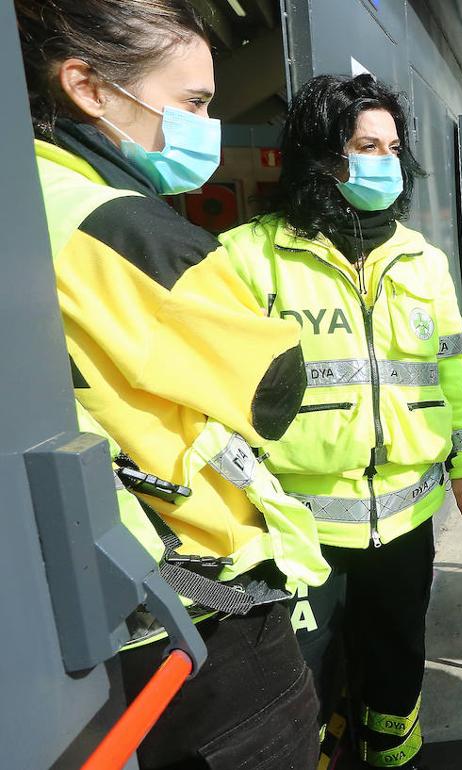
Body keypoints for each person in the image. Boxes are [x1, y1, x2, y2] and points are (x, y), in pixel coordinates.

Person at [18, 1, 328, 766]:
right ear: (89, 87)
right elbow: (273, 385)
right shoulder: (117, 225)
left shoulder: (27, 205)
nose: (205, 124)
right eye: (193, 102)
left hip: (98, 615)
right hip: (202, 614)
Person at [220, 73, 462, 769]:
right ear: (321, 155)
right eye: (366, 145)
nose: (385, 162)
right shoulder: (248, 257)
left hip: (405, 518)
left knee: (398, 665)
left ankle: (395, 761)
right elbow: (216, 400)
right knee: (305, 683)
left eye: (393, 147)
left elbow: (451, 374)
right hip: (298, 526)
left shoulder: (424, 261)